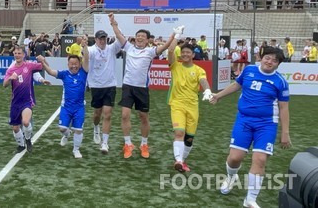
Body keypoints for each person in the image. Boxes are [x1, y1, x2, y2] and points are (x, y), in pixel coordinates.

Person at [210, 47, 291, 208]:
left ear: (278, 64)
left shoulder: (280, 81)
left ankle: (250, 199)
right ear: (261, 57)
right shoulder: (249, 70)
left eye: (275, 60)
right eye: (268, 57)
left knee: (260, 160)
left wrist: (285, 133)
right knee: (235, 158)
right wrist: (218, 96)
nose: (270, 62)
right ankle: (231, 177)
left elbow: (284, 108)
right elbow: (236, 85)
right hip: (244, 120)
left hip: (267, 124)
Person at [111, 23, 179, 159]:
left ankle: (144, 144)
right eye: (138, 36)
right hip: (128, 87)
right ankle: (128, 144)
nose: (140, 38)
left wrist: (174, 35)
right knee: (124, 115)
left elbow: (165, 47)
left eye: (143, 36)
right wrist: (113, 23)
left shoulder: (150, 51)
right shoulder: (128, 47)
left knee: (143, 117)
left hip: (142, 88)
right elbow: (119, 35)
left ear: (148, 40)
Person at [37, 42, 89, 159]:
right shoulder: (64, 74)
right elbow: (50, 72)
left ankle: (76, 149)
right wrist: (43, 62)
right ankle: (67, 134)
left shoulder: (83, 73)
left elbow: (87, 59)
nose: (74, 66)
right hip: (66, 107)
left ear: (79, 64)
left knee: (79, 130)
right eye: (71, 64)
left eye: (76, 64)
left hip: (79, 107)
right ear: (68, 64)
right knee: (62, 129)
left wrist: (85, 47)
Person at [167, 38, 211, 172]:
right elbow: (169, 50)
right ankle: (178, 160)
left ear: (193, 55)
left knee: (189, 139)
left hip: (193, 106)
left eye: (188, 52)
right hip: (177, 104)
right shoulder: (175, 66)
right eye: (183, 52)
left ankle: (182, 161)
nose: (185, 54)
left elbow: (203, 80)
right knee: (179, 132)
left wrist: (208, 90)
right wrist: (176, 36)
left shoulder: (199, 70)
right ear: (180, 54)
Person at [87, 13, 123, 154]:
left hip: (110, 86)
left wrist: (114, 24)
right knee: (97, 114)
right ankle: (96, 128)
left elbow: (121, 39)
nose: (102, 41)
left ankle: (105, 143)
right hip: (96, 86)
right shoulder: (91, 50)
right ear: (95, 39)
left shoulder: (112, 48)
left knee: (107, 114)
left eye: (104, 38)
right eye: (100, 38)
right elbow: (85, 56)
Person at [3, 46, 43, 153]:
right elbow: (4, 84)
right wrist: (10, 79)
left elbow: (41, 66)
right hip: (15, 102)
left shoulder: (29, 65)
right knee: (15, 128)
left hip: (27, 101)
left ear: (23, 55)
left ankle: (28, 139)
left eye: (19, 53)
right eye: (15, 53)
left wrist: (43, 60)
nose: (17, 55)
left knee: (25, 122)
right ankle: (21, 145)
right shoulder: (11, 69)